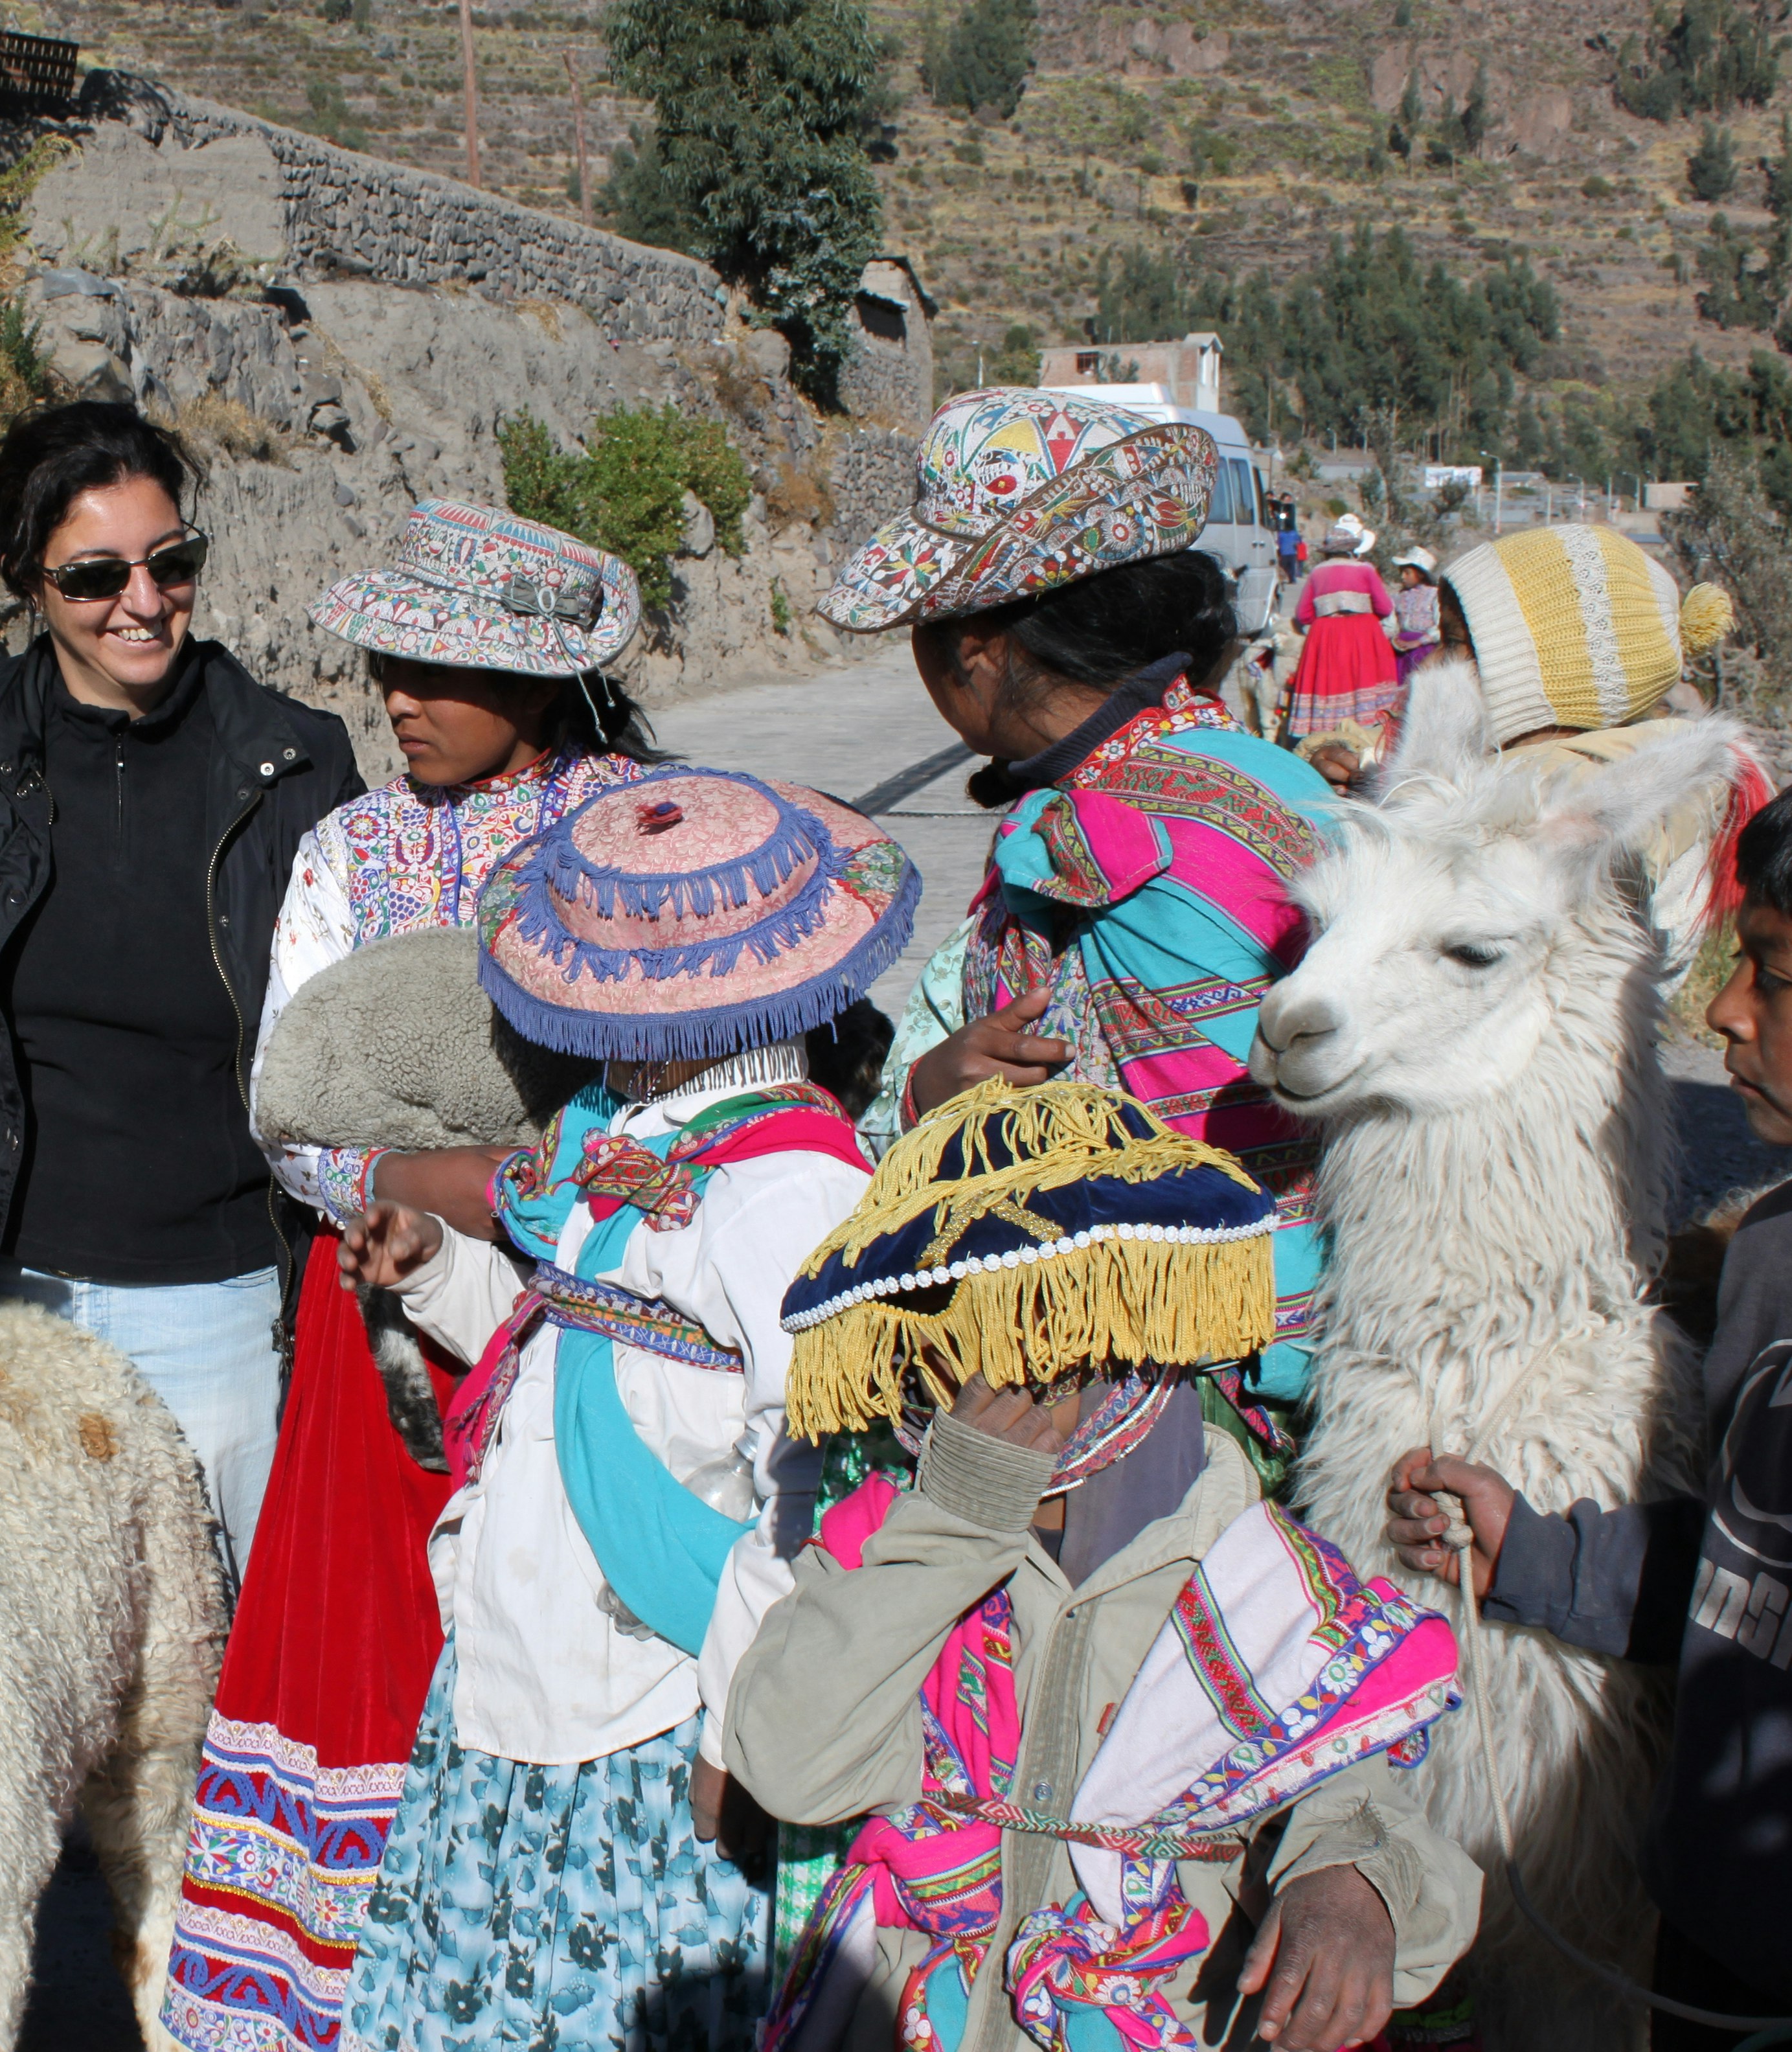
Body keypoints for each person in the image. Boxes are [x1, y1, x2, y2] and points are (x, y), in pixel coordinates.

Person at [158, 501, 662, 2052]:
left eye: (443, 668)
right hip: (371, 1304)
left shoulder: (641, 830)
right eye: (392, 662)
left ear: (532, 682)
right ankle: (350, 1986)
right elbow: (284, 1098)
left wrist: (517, 1195)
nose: (400, 696)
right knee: (373, 1636)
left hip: (586, 1288)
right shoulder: (352, 845)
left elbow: (684, 1073)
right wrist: (399, 1187)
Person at [332, 766, 921, 2051]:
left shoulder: (785, 1197)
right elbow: (587, 1348)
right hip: (532, 1682)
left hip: (650, 1714)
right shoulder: (647, 1152)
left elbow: (825, 1473)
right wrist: (440, 1271)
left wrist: (748, 1722)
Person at [736, 1078, 1480, 2052]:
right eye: (952, 1329)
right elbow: (792, 1765)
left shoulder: (1259, 1579)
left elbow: (1351, 1792)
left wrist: (1352, 1885)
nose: (996, 1380)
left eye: (1043, 1333)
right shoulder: (889, 1537)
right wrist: (958, 1519)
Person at [816, 385, 1336, 1440]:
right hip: (1319, 1341)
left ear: (979, 647)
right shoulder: (1278, 783)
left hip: (1159, 1395)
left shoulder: (1085, 842)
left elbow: (1071, 1144)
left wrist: (928, 1093)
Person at [0, 402, 361, 1580]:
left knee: (214, 1701)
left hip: (217, 1307)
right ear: (24, 578)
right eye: (95, 575)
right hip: (1, 1304)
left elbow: (353, 1032)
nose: (143, 601)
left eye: (172, 563)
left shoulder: (296, 765)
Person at [1385, 787, 1792, 2052]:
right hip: (1721, 1935)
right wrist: (1543, 1557)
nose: (1721, 1010)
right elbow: (1746, 1577)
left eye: (1770, 972)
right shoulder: (1772, 1262)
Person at [1426, 520, 1775, 986]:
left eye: (1453, 643)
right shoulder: (1584, 770)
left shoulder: (1567, 810)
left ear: (1534, 672)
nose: (1432, 666)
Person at [1286, 513, 1402, 754]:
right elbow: (1384, 607)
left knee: (1331, 682)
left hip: (1326, 634)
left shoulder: (1317, 573)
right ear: (1351, 549)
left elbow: (1303, 614)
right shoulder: (1365, 570)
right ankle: (1365, 735)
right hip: (1362, 633)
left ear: (1328, 551)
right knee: (1363, 679)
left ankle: (1327, 739)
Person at [1390, 545, 1443, 677]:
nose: (1403, 576)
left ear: (1420, 574)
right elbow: (1391, 624)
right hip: (1401, 650)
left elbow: (1440, 627)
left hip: (1424, 650)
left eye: (1407, 573)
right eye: (1402, 572)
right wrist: (1394, 640)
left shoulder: (1434, 595)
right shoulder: (1397, 597)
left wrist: (1419, 642)